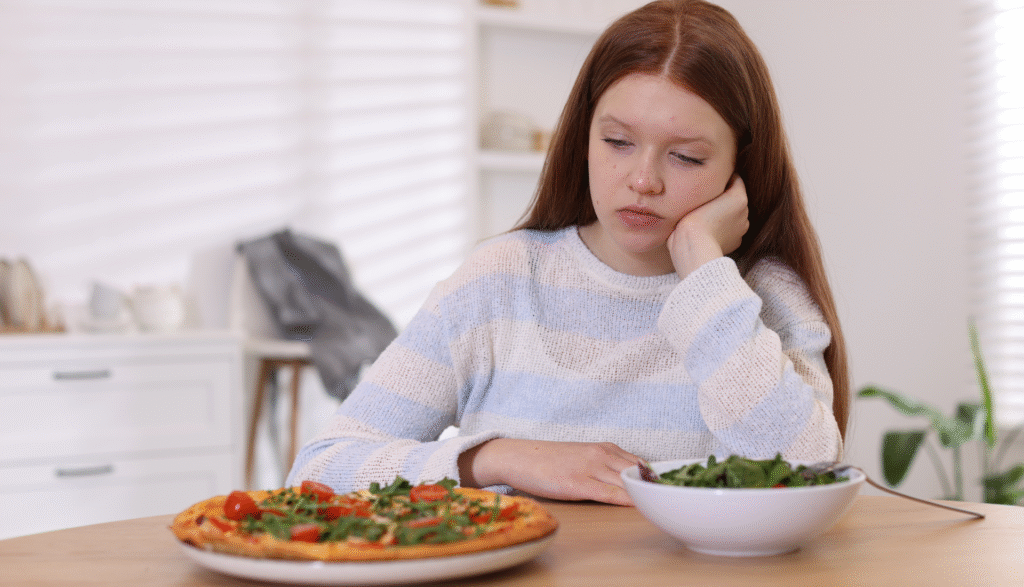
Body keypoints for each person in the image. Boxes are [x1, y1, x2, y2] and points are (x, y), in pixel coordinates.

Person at [286, 0, 849, 506]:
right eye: (618, 142)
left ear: (738, 168)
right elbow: (319, 469)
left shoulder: (760, 297)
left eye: (687, 157)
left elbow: (805, 473)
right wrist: (496, 458)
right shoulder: (499, 281)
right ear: (582, 136)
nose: (643, 180)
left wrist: (703, 268)